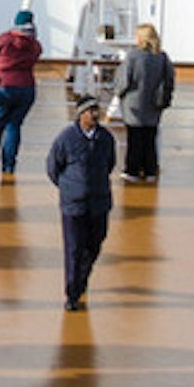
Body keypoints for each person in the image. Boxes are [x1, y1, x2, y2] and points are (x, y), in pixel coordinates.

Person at [46, 96, 116, 311]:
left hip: (99, 202)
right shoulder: (65, 139)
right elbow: (53, 167)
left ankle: (82, 277)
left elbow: (110, 164)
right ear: (80, 115)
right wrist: (69, 188)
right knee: (74, 249)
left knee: (95, 243)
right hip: (73, 205)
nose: (95, 115)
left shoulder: (106, 138)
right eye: (90, 111)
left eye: (97, 111)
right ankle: (72, 293)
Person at [0, 11, 43, 181]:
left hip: (3, 86)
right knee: (14, 126)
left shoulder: (5, 39)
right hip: (27, 87)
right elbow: (37, 55)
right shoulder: (35, 44)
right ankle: (9, 165)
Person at [118, 23, 173, 184]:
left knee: (134, 139)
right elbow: (169, 79)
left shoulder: (133, 56)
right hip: (154, 105)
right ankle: (150, 171)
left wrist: (117, 92)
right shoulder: (162, 57)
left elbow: (123, 81)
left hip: (134, 105)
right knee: (150, 139)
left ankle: (132, 170)